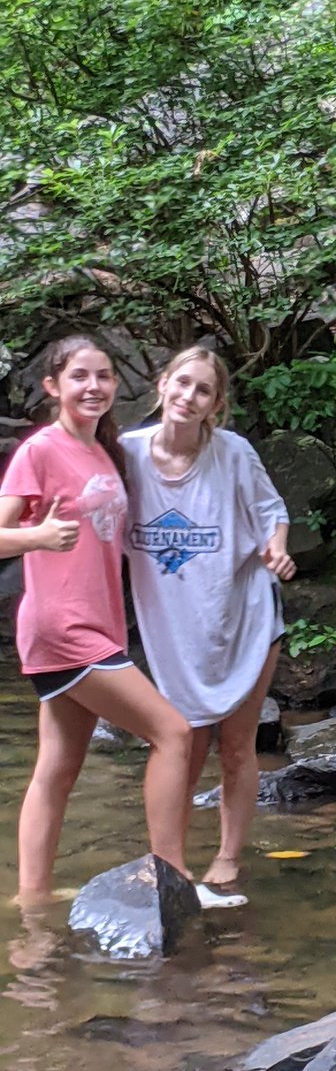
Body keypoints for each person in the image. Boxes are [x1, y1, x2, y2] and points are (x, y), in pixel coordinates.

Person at [0, 335, 193, 904]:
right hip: (63, 628)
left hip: (98, 624)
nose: (94, 387)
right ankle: (172, 877)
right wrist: (35, 536)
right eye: (80, 376)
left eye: (104, 376)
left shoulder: (104, 450)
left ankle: (31, 899)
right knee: (173, 733)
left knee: (57, 769)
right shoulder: (41, 449)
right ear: (53, 386)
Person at [121, 347, 296, 900]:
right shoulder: (124, 454)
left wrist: (277, 550)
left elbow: (273, 514)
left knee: (238, 747)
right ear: (162, 385)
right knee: (179, 745)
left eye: (202, 391)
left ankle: (226, 855)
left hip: (243, 616)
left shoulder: (233, 454)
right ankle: (167, 862)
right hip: (175, 630)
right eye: (182, 384)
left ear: (215, 404)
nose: (188, 397)